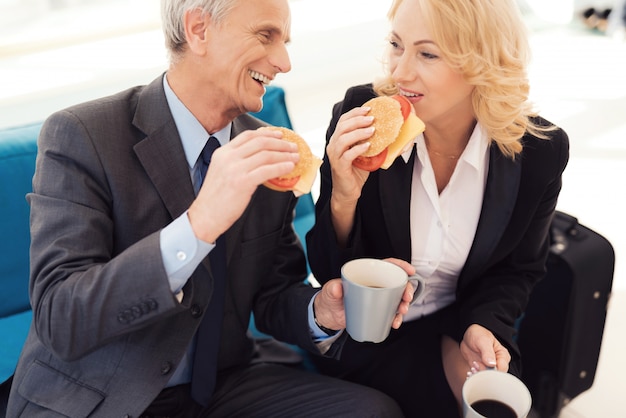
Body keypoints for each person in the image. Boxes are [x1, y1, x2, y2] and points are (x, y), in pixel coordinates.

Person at [6, 1, 412, 417]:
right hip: (99, 391)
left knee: (373, 411)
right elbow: (62, 318)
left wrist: (321, 310)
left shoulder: (271, 147)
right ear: (199, 30)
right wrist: (199, 225)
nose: (284, 62)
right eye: (266, 35)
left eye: (285, 42)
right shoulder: (81, 135)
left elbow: (273, 296)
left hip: (220, 385)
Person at [305, 0, 570, 416]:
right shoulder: (363, 117)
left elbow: (519, 269)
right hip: (368, 335)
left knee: (494, 403)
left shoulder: (539, 151)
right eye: (396, 45)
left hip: (460, 324)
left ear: (483, 62)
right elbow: (326, 270)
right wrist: (343, 194)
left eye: (427, 53)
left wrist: (484, 325)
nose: (399, 72)